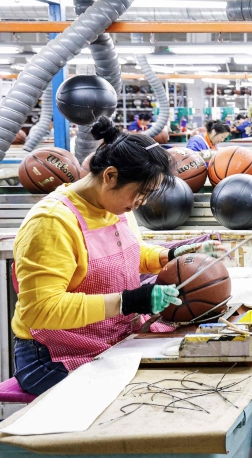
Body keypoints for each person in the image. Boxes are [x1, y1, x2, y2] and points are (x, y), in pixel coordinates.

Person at [10, 117, 221, 394]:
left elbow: (127, 252)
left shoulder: (113, 208)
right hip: (52, 356)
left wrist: (169, 255)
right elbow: (42, 310)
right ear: (110, 176)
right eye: (141, 193)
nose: (142, 202)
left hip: (110, 337)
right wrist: (128, 301)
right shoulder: (51, 222)